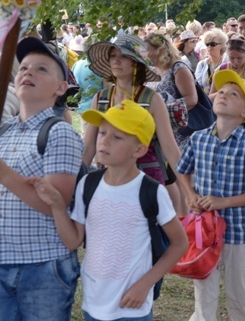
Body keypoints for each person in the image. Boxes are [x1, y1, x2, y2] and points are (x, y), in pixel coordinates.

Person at [29, 100, 188, 321]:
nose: (104, 141)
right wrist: (57, 205)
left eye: (117, 137)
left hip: (133, 308)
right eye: (102, 133)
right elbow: (74, 240)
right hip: (93, 303)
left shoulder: (152, 192)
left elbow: (180, 243)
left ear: (140, 149)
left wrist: (145, 284)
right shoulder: (88, 184)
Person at [176, 70, 245, 321]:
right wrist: (190, 196)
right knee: (204, 292)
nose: (223, 95)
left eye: (234, 94)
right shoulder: (198, 139)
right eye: (220, 92)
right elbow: (183, 171)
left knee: (242, 295)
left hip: (239, 232)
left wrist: (225, 202)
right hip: (205, 231)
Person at [0, 37, 84, 320]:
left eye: (41, 69)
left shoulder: (60, 133)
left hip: (42, 264)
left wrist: (5, 174)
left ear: (61, 88)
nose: (28, 73)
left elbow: (55, 205)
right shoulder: (5, 132)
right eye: (23, 68)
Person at [84, 35, 185, 213]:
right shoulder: (101, 99)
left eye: (123, 57)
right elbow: (89, 146)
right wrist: (75, 179)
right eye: (113, 56)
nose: (116, 61)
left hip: (147, 177)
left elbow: (170, 148)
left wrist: (189, 190)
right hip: (110, 178)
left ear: (136, 63)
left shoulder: (152, 99)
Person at [144, 31, 199, 150]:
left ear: (159, 49)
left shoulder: (178, 68)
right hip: (162, 131)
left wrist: (161, 110)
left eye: (147, 50)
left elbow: (191, 99)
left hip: (182, 134)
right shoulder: (152, 71)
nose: (144, 54)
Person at [209, 35, 245, 141]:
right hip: (227, 117)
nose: (235, 62)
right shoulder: (221, 70)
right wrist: (224, 93)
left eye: (239, 58)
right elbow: (211, 97)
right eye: (232, 58)